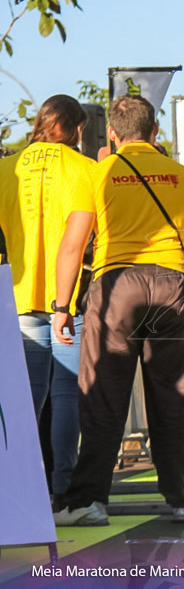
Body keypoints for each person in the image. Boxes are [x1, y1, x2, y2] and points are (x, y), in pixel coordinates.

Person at [51, 94, 184, 525]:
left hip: (116, 286)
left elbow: (73, 244)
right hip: (170, 285)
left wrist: (60, 305)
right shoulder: (183, 175)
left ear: (111, 133)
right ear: (155, 131)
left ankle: (88, 502)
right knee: (174, 396)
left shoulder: (98, 173)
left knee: (103, 396)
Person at [0, 94, 94, 498]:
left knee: (27, 400)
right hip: (66, 303)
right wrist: (63, 303)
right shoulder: (85, 168)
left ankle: (22, 488)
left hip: (19, 297)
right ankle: (62, 488)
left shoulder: (6, 168)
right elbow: (80, 243)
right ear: (77, 128)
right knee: (66, 393)